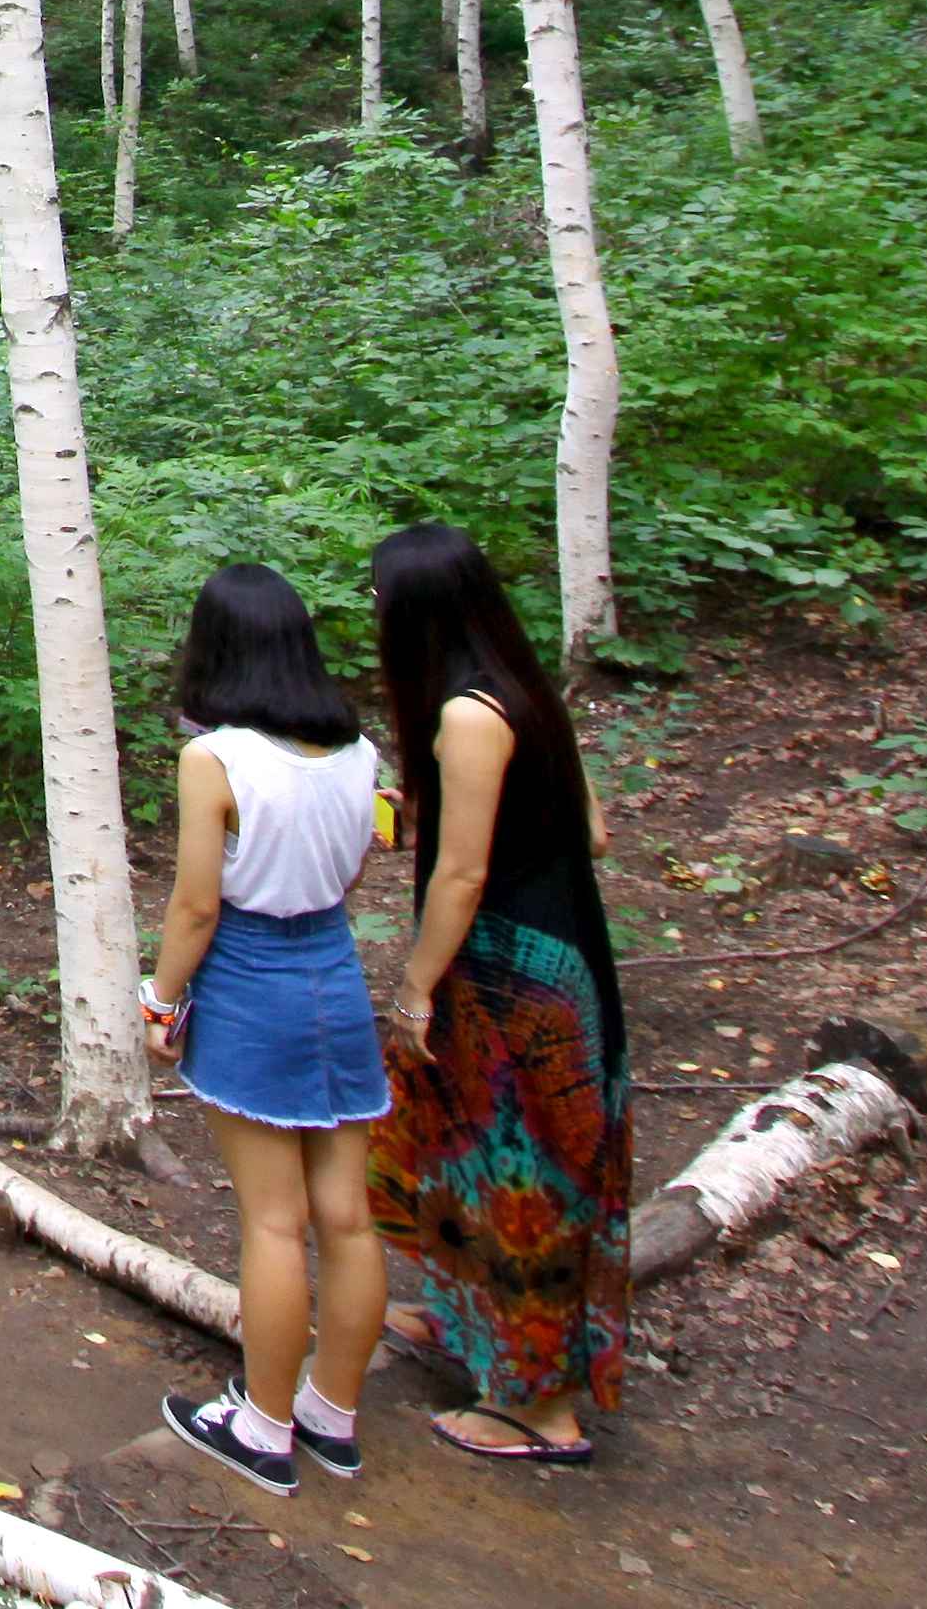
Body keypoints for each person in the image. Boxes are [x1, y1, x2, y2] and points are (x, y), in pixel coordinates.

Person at [367, 521, 632, 1467]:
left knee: (524, 1172)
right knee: (460, 1145)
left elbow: (461, 877)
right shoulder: (524, 691)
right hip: (564, 954)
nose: (373, 612)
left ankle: (539, 1409)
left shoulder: (471, 717)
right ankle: (467, 1313)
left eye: (379, 598)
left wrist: (414, 989)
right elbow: (592, 831)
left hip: (515, 977)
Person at [140, 562, 390, 1495]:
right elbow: (353, 873)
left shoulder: (216, 759)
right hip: (335, 975)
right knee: (348, 1218)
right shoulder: (358, 753)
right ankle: (333, 1408)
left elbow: (197, 905)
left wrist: (162, 1002)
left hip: (252, 980)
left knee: (273, 1222)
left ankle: (264, 1425)